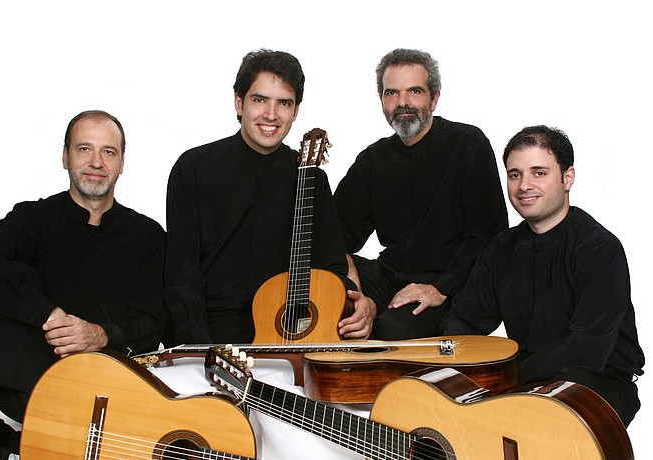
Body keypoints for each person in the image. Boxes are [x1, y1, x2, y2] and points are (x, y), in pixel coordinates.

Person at [0, 110, 168, 456]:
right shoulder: (32, 218)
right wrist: (48, 314)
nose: (96, 162)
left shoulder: (148, 236)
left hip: (110, 386)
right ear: (65, 156)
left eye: (108, 152)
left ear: (122, 162)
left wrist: (99, 335)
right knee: (12, 273)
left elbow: (153, 321)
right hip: (32, 379)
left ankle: (5, 444)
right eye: (84, 149)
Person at [164, 49, 375, 345]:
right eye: (259, 100)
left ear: (295, 111)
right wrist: (200, 349)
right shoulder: (194, 168)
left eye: (284, 103)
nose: (271, 115)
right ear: (239, 102)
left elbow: (331, 270)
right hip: (212, 332)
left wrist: (357, 305)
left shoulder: (312, 178)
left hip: (287, 329)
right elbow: (182, 274)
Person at [441, 125, 644, 426]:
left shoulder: (600, 249)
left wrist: (509, 377)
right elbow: (466, 318)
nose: (524, 185)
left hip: (597, 382)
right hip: (527, 378)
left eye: (539, 173)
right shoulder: (500, 249)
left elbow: (586, 347)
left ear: (567, 178)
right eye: (515, 175)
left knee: (532, 421)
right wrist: (450, 353)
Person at [334, 48, 508, 340]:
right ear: (381, 100)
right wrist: (351, 283)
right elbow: (337, 231)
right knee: (319, 286)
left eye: (414, 91)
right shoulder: (373, 160)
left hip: (452, 283)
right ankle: (367, 310)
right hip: (391, 276)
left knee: (392, 329)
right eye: (392, 93)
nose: (402, 102)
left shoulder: (468, 144)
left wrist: (438, 288)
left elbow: (488, 235)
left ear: (434, 98)